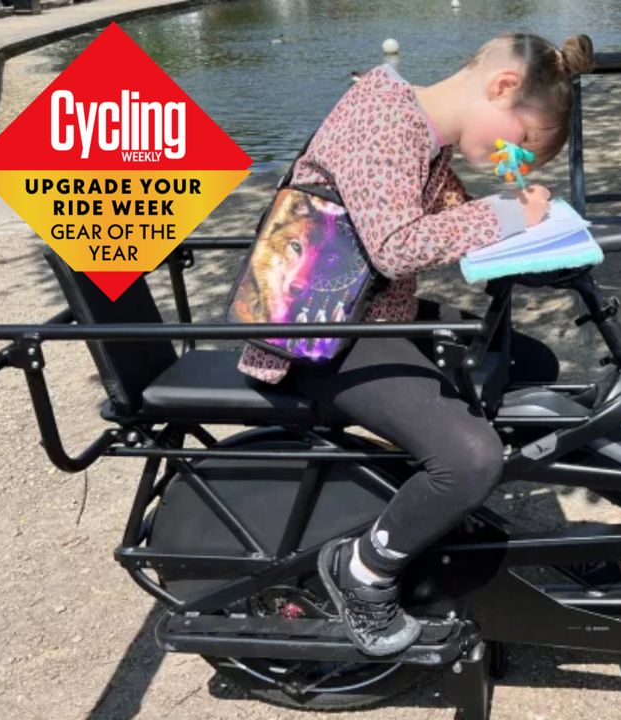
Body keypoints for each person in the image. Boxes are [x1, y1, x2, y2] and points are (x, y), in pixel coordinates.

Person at [235, 32, 595, 656]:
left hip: (365, 314)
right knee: (471, 457)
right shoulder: (385, 123)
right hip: (312, 331)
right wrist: (511, 215)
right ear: (502, 87)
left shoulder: (427, 136)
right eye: (521, 143)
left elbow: (451, 224)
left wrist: (515, 206)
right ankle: (362, 574)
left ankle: (443, 511)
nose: (518, 160)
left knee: (527, 361)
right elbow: (399, 245)